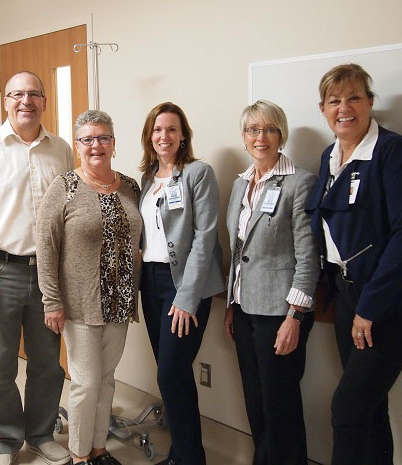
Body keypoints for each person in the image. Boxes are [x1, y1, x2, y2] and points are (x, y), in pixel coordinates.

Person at [306, 63, 402, 465]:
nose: (344, 107)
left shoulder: (394, 151)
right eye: (334, 100)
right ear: (322, 109)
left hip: (394, 300)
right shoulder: (329, 155)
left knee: (347, 411)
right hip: (349, 293)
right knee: (369, 407)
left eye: (354, 97)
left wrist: (370, 307)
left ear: (369, 102)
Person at [0, 71, 73, 465]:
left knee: (46, 364)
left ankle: (40, 433)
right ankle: (5, 441)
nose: (26, 101)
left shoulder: (61, 150)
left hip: (49, 275)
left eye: (34, 94)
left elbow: (70, 210)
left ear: (44, 101)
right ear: (6, 101)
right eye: (17, 94)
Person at [36, 110, 142, 465]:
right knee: (84, 383)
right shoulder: (64, 186)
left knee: (107, 379)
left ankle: (99, 450)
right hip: (80, 303)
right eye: (87, 139)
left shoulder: (130, 186)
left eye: (103, 138)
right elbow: (46, 247)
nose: (96, 145)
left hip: (121, 300)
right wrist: (51, 301)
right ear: (78, 145)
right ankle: (80, 455)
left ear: (113, 143)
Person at [223, 100, 318, 465]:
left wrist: (294, 316)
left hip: (280, 312)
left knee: (280, 403)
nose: (260, 137)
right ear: (244, 137)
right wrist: (232, 304)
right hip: (245, 308)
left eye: (269, 129)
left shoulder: (300, 182)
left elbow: (308, 257)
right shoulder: (241, 183)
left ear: (281, 134)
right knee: (255, 399)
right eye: (252, 130)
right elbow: (237, 250)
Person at [138, 102, 225, 465]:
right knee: (169, 374)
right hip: (150, 281)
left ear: (183, 135)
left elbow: (206, 237)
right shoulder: (146, 179)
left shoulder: (197, 174)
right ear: (149, 136)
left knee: (171, 373)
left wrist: (187, 298)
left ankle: (189, 457)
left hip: (183, 284)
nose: (164, 136)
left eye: (172, 129)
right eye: (158, 130)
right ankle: (183, 453)